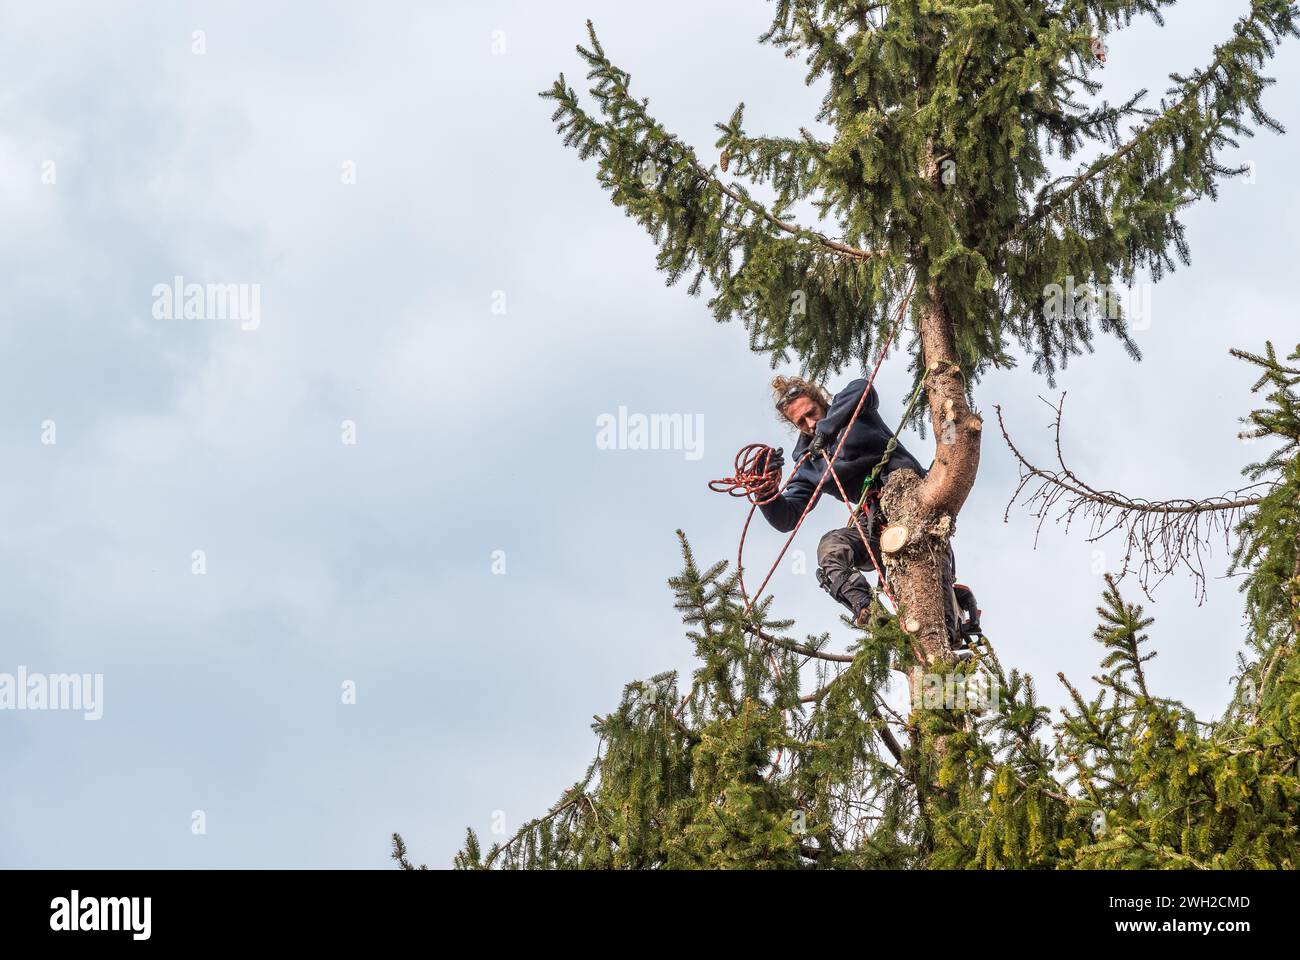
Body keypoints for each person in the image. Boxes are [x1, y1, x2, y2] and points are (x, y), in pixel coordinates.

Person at [754, 375, 979, 642]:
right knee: (831, 548)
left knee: (932, 608)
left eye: (811, 413)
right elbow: (787, 518)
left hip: (909, 497)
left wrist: (826, 431)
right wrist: (764, 491)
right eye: (801, 423)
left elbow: (864, 387)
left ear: (821, 402)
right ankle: (871, 614)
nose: (810, 424)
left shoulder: (851, 409)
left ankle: (951, 629)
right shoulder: (809, 464)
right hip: (873, 523)